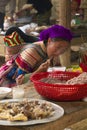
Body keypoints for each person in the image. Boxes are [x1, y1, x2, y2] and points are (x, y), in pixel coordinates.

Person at [0, 25, 72, 87]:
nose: (59, 52)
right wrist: (39, 71)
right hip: (8, 85)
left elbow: (56, 70)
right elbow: (18, 80)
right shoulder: (32, 52)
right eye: (58, 47)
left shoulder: (53, 53)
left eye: (63, 50)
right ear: (49, 41)